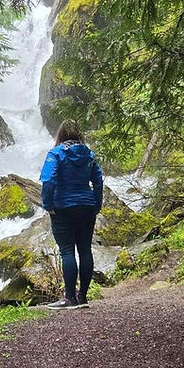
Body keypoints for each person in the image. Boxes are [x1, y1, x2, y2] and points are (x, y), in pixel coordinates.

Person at [39, 119, 103, 309]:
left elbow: (48, 180)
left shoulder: (56, 154)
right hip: (86, 206)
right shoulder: (89, 155)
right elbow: (98, 182)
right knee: (85, 250)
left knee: (67, 251)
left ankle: (69, 298)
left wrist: (48, 204)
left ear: (60, 135)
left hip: (63, 208)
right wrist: (96, 205)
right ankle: (82, 296)